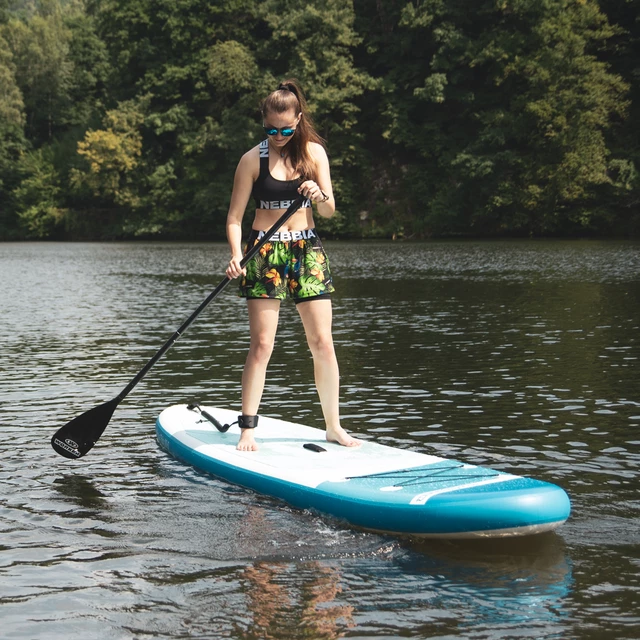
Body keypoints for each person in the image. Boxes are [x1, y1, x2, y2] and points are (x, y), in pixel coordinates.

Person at [225, 79, 360, 452]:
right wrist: (237, 254)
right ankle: (248, 429)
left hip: (307, 251)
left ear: (299, 119)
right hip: (263, 254)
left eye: (286, 129)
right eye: (272, 129)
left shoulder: (314, 154)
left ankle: (333, 426)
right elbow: (235, 217)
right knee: (262, 345)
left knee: (322, 342)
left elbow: (330, 211)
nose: (279, 135)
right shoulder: (252, 160)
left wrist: (319, 196)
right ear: (263, 123)